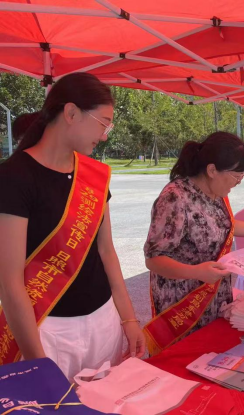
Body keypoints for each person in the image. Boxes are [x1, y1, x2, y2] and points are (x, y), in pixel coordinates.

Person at [0, 73, 145, 380]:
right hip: (48, 330)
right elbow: (10, 283)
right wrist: (37, 364)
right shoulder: (14, 178)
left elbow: (107, 252)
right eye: (103, 122)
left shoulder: (93, 175)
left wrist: (128, 319)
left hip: (103, 320)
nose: (105, 134)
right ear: (71, 113)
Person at [144, 133, 244, 354]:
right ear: (211, 170)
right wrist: (196, 272)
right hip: (184, 304)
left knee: (211, 357)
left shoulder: (216, 192)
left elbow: (223, 225)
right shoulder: (175, 198)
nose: (239, 181)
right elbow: (154, 259)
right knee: (182, 361)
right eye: (237, 175)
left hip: (215, 295)